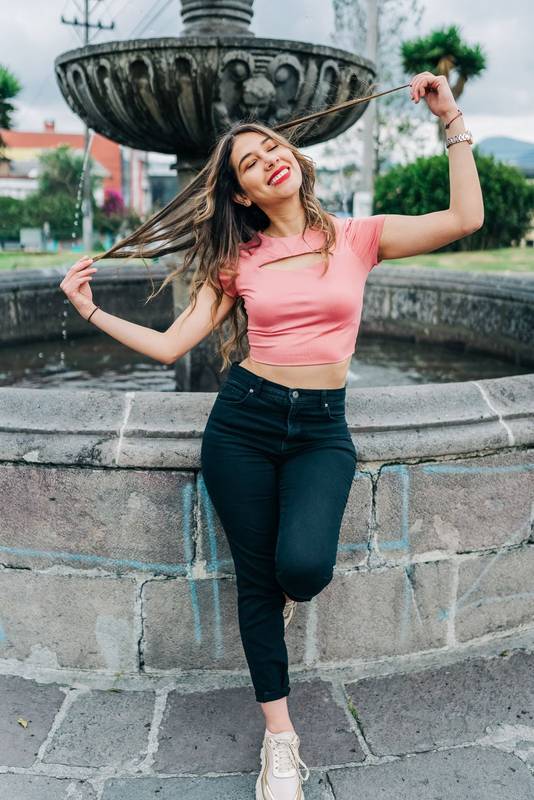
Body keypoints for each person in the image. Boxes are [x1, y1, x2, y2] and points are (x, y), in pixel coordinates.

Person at [59, 72, 483, 799]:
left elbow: (464, 219)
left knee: (304, 570)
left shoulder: (357, 236)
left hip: (322, 431)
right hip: (244, 425)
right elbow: (172, 346)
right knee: (258, 585)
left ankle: (285, 592)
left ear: (296, 157)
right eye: (249, 164)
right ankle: (280, 741)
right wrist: (90, 310)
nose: (267, 160)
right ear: (245, 196)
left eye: (270, 147)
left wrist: (452, 121)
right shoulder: (235, 262)